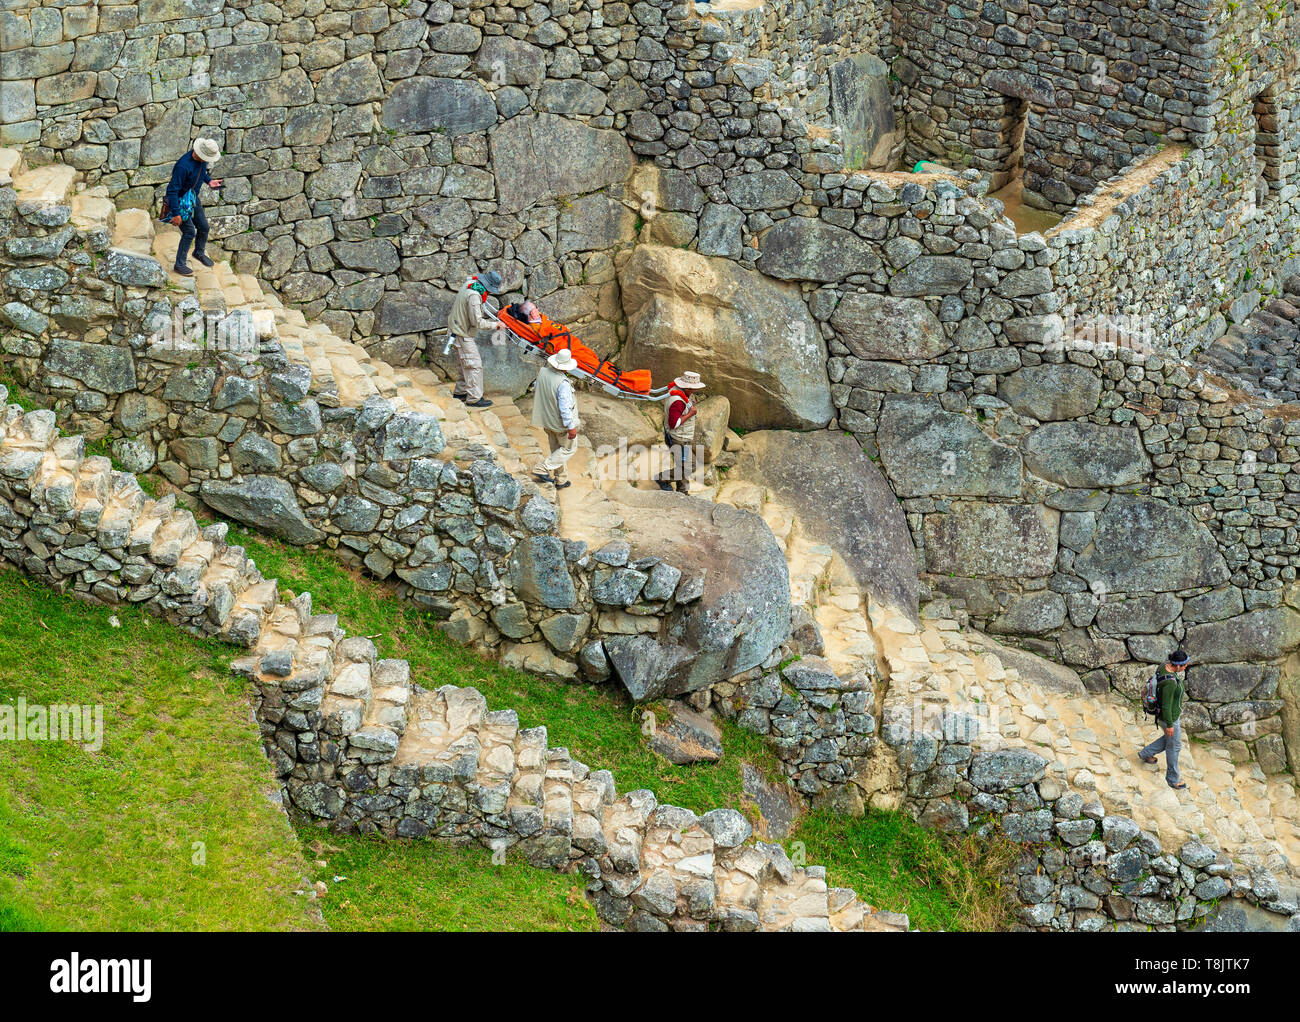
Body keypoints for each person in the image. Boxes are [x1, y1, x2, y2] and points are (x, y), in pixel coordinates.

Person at [164, 137, 223, 276]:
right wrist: (176, 213)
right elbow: (172, 191)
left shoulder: (202, 161)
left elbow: (201, 173)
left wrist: (209, 181)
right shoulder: (183, 166)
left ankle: (198, 252)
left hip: (192, 198)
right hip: (179, 201)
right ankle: (179, 265)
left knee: (204, 227)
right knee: (190, 231)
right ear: (199, 153)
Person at [445, 270, 502, 408]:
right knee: (474, 365)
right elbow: (478, 322)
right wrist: (497, 325)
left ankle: (460, 393)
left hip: (455, 329)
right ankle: (474, 398)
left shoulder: (470, 283)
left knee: (464, 364)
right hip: (462, 334)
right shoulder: (475, 296)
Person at [1139, 649, 1190, 790]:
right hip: (1169, 717)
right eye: (1184, 664)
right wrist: (1169, 724)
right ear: (1178, 666)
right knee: (1174, 746)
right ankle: (1172, 779)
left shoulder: (1164, 666)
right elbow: (1167, 706)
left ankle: (1146, 753)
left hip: (1166, 715)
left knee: (1171, 739)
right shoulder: (1170, 683)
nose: (1186, 666)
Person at [531, 348, 580, 489]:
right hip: (560, 424)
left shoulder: (542, 373)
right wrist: (571, 426)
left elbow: (537, 388)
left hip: (546, 420)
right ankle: (542, 468)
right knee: (568, 449)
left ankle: (561, 479)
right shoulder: (563, 383)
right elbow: (565, 408)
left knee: (556, 449)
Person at [655, 370, 705, 495]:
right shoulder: (678, 401)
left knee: (683, 465)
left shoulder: (678, 391)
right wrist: (690, 413)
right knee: (691, 466)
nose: (694, 391)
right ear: (687, 387)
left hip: (680, 437)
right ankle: (662, 478)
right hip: (679, 439)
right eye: (693, 389)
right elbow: (674, 424)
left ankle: (683, 492)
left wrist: (688, 405)